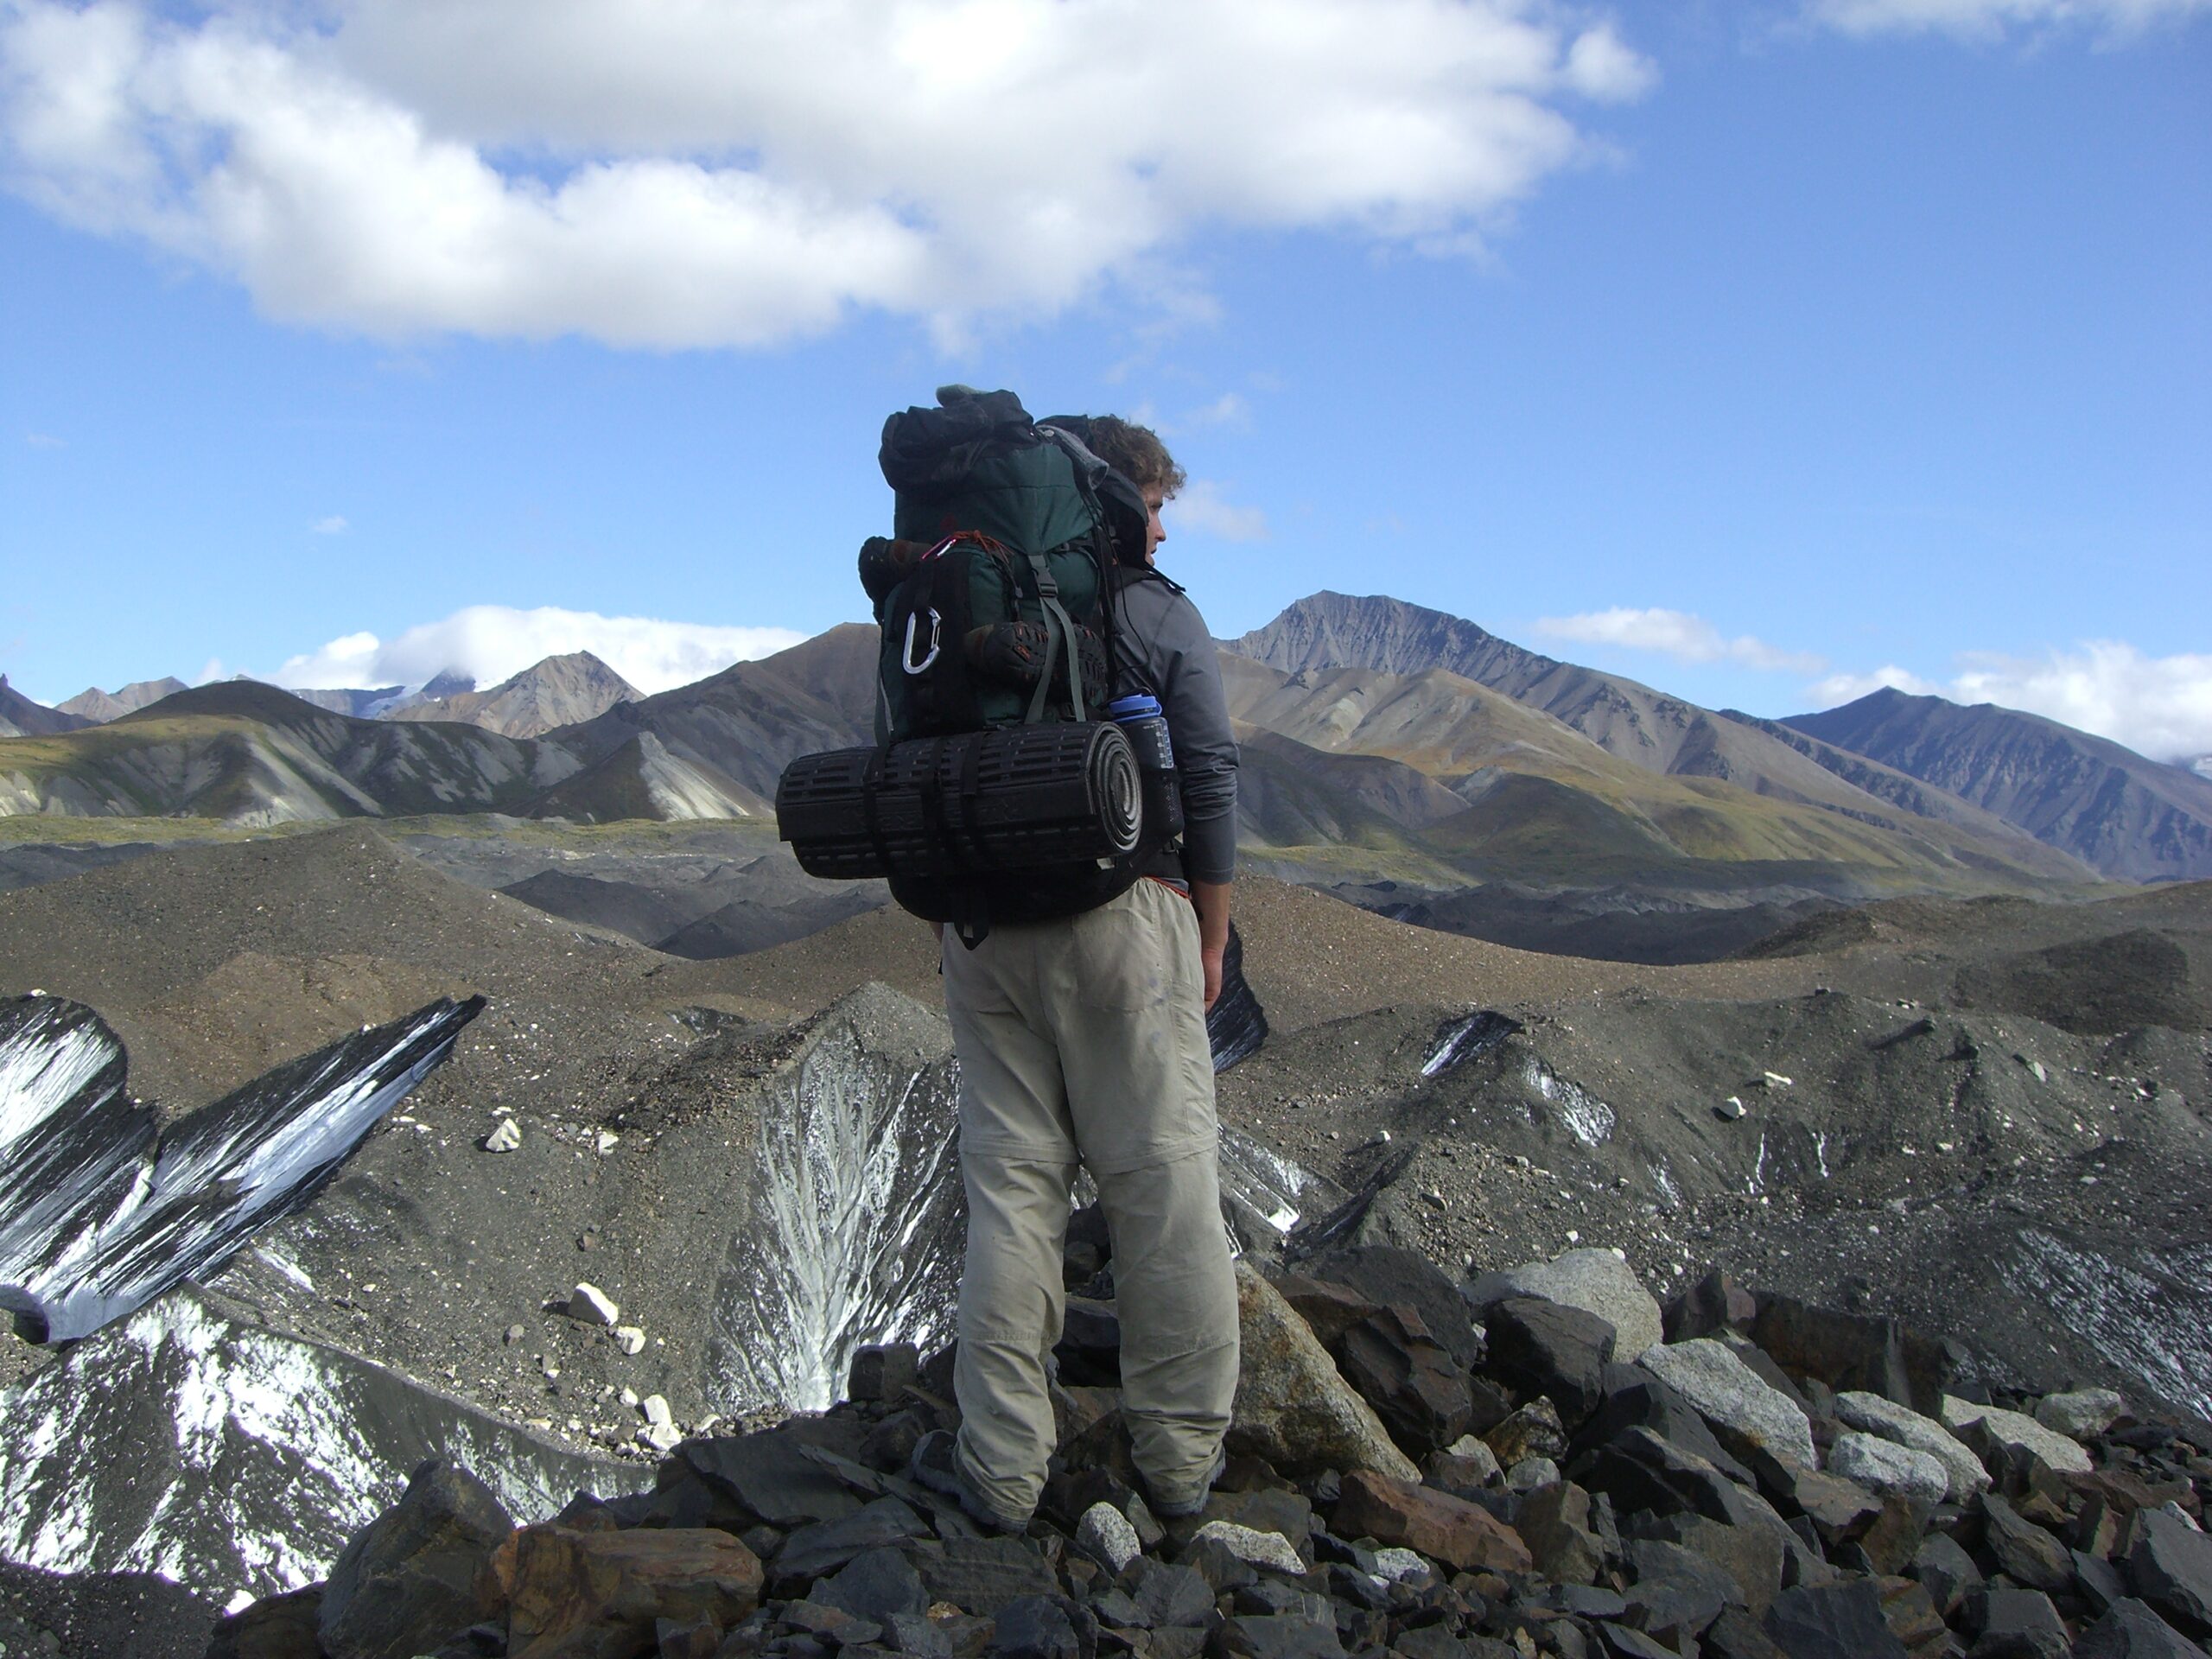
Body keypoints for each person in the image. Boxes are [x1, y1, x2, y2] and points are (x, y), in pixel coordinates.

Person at [912, 415, 1242, 1531]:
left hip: (981, 930)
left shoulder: (962, 600)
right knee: (1163, 1186)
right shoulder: (1152, 611)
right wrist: (1211, 926)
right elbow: (1209, 772)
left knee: (1011, 1193)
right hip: (1125, 916)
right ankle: (1182, 1465)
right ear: (1117, 499)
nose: (1159, 526)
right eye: (1154, 504)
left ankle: (1002, 1471)